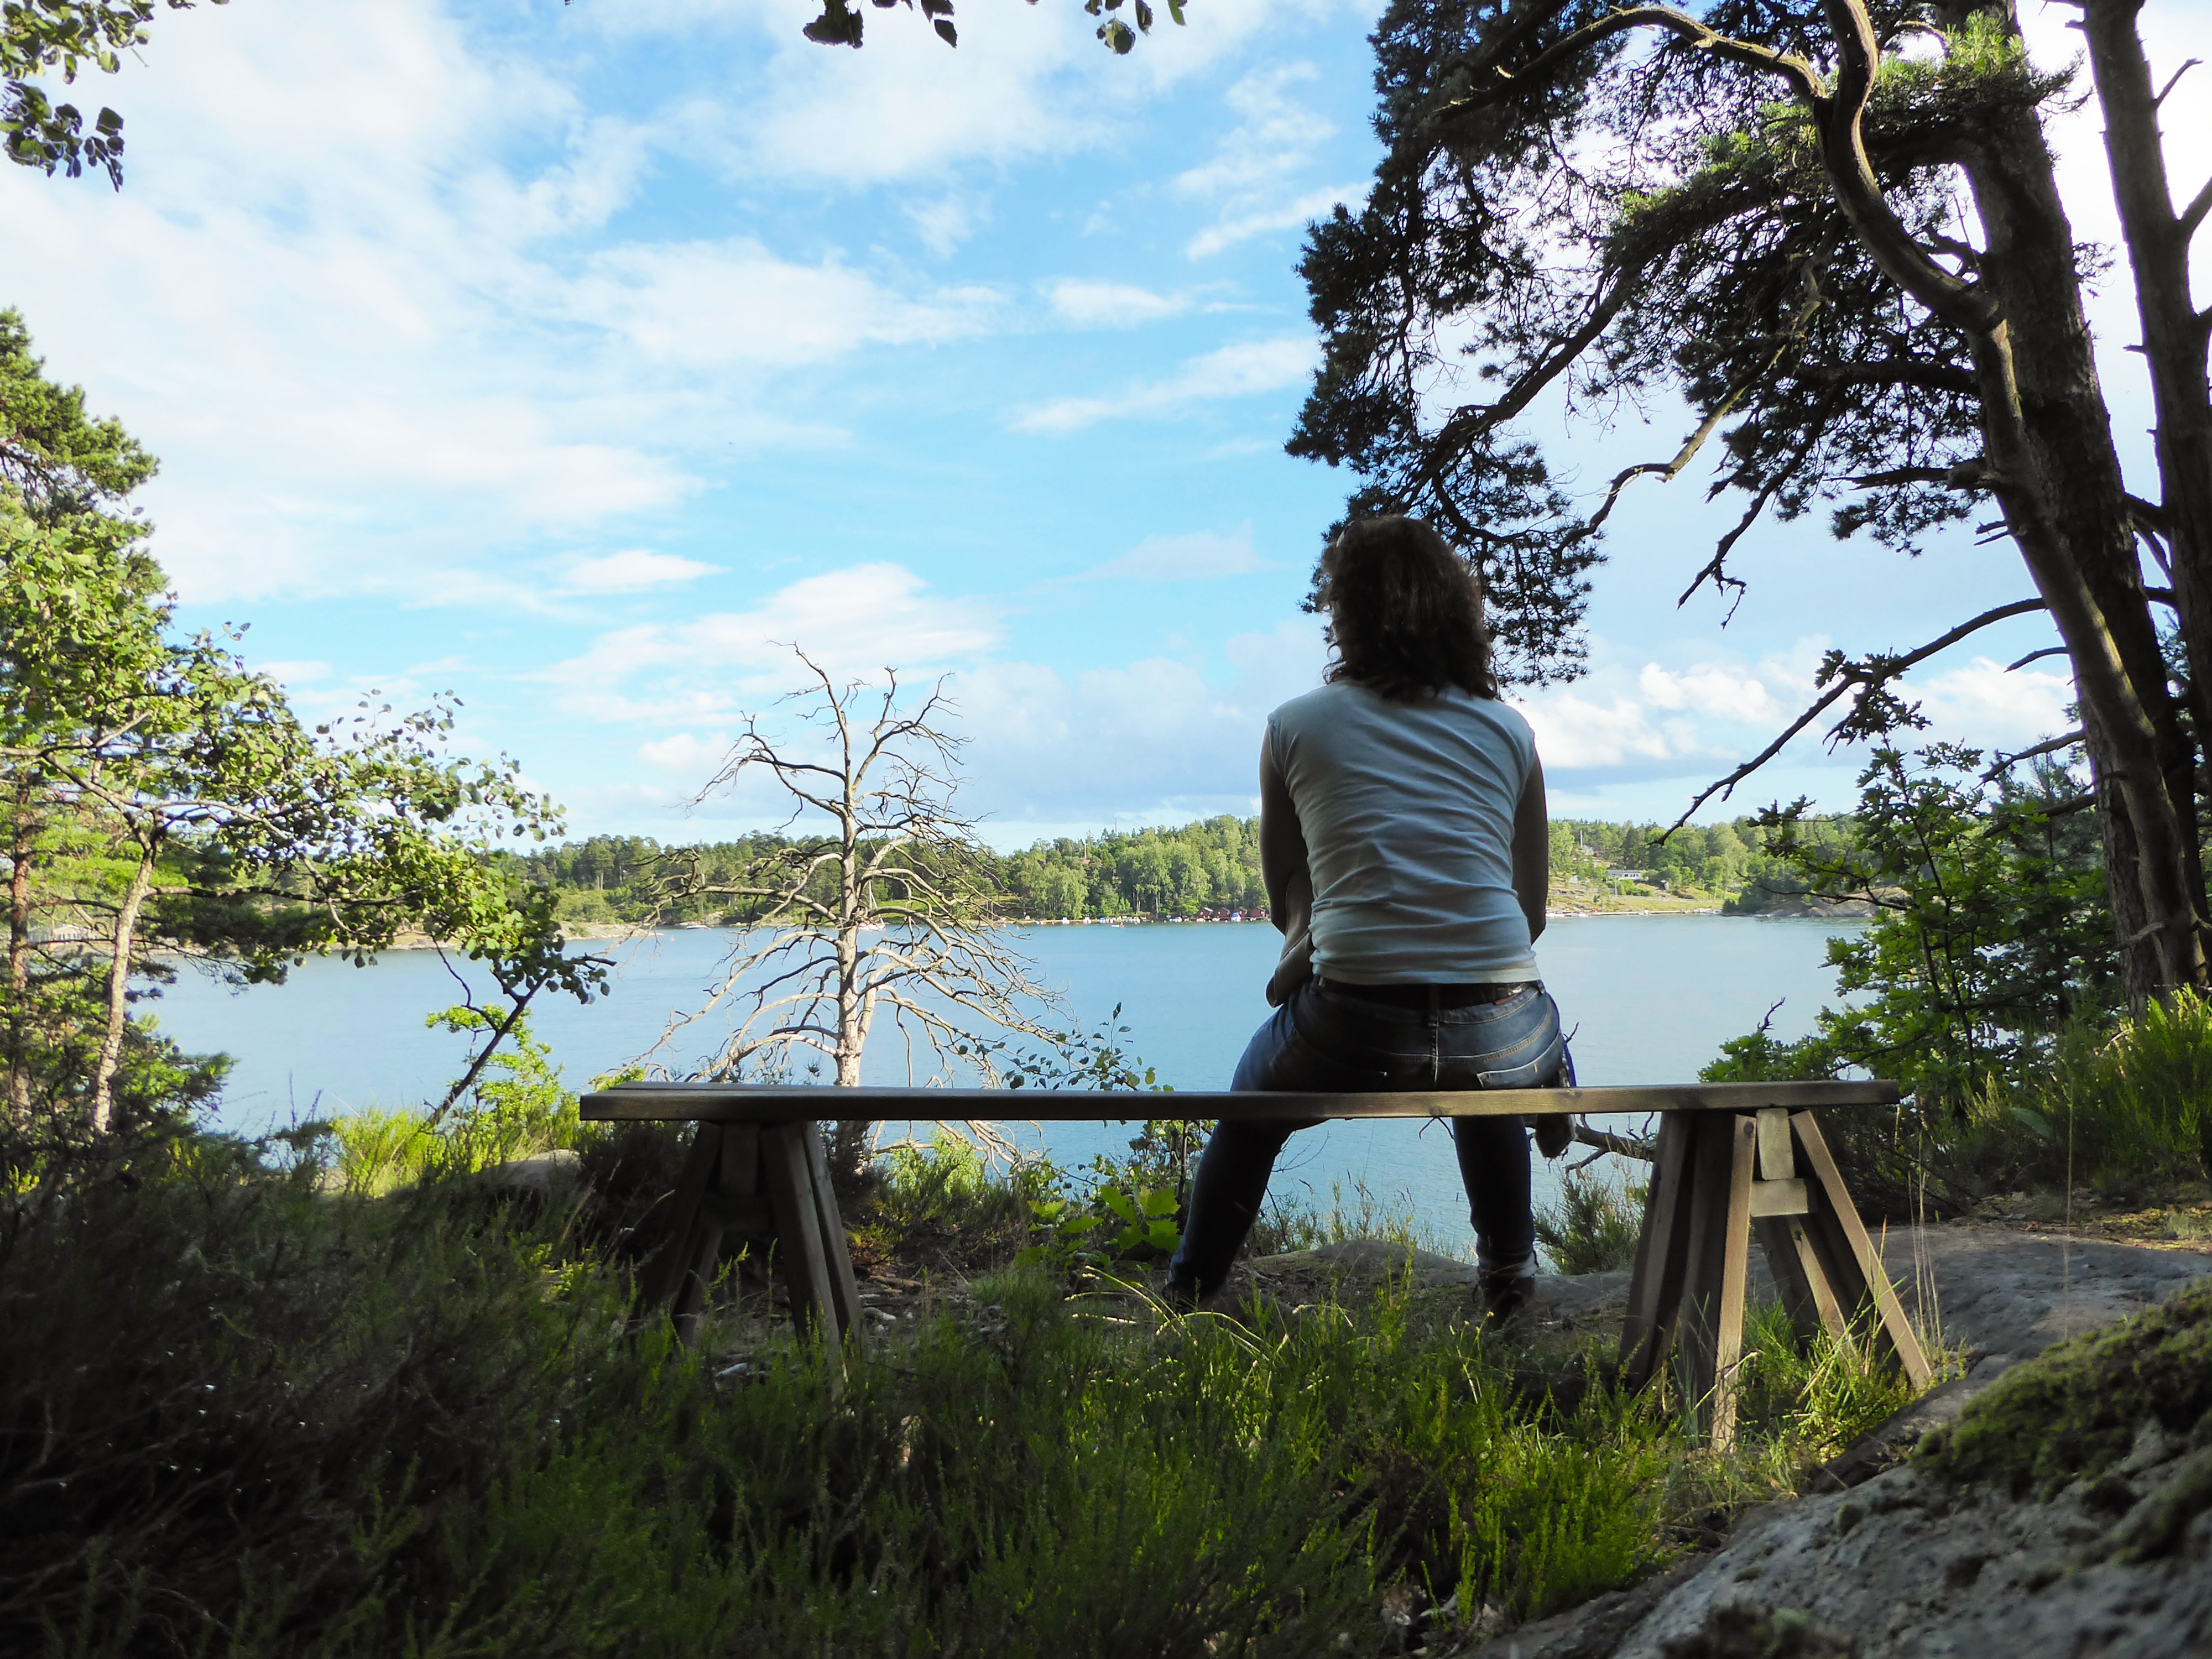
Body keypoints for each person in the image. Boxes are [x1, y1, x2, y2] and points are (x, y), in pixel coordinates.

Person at [1164, 514, 1564, 1324]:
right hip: (1503, 1021)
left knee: (1251, 1110)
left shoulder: (1295, 724)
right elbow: (1531, 914)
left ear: (1343, 613)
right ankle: (1510, 1284)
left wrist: (1303, 941)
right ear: (1458, 611)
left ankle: (1192, 1291)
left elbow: (1287, 889)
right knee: (1489, 1079)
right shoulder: (1510, 729)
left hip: (1355, 1019)